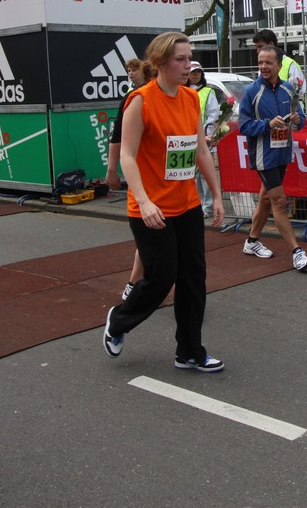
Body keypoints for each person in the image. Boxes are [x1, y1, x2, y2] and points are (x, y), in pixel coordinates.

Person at [102, 32, 226, 372]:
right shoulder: (140, 100)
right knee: (161, 278)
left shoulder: (190, 98)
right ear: (160, 63)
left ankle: (189, 351)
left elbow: (200, 151)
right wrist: (143, 202)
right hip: (151, 208)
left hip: (186, 204)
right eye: (180, 59)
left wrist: (216, 195)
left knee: (193, 279)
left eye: (189, 58)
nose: (188, 66)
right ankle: (118, 321)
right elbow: (127, 155)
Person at [238, 43, 307, 272]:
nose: (263, 66)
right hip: (264, 155)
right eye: (260, 62)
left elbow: (300, 119)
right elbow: (243, 126)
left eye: (268, 63)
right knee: (279, 201)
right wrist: (267, 124)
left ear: (279, 65)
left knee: (265, 199)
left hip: (283, 152)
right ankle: (297, 252)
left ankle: (251, 241)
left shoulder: (289, 89)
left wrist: (298, 120)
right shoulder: (252, 91)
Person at [106, 58, 154, 301]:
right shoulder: (134, 99)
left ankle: (141, 283)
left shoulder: (183, 97)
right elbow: (118, 139)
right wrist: (111, 170)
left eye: (133, 70)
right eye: (129, 71)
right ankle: (134, 284)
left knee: (163, 240)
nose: (131, 74)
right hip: (147, 180)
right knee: (149, 237)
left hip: (175, 185)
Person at [187, 61, 221, 217]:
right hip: (187, 140)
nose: (195, 75)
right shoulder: (181, 90)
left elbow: (213, 115)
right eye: (193, 72)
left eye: (198, 72)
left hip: (204, 140)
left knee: (205, 175)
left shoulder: (208, 91)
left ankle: (207, 207)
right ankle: (196, 205)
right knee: (192, 176)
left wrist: (207, 134)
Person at [252, 28, 306, 100]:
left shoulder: (291, 65)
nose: (258, 51)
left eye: (260, 46)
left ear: (271, 44)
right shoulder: (261, 68)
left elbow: (299, 91)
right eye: (257, 47)